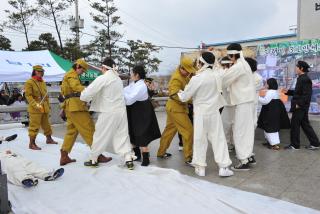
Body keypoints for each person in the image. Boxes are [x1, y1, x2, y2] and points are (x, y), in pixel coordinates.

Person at [178, 52, 233, 177]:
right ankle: (223, 167)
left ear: (201, 63)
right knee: (218, 139)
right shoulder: (217, 75)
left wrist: (179, 93)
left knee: (200, 139)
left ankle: (200, 167)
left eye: (198, 62)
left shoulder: (197, 78)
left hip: (201, 113)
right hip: (214, 112)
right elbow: (219, 68)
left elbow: (185, 97)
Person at [80, 58, 134, 169]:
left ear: (104, 67)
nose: (101, 70)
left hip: (108, 111)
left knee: (100, 135)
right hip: (121, 112)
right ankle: (128, 158)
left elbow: (89, 92)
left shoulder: (103, 78)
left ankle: (94, 159)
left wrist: (83, 97)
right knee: (122, 135)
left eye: (101, 68)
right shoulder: (118, 79)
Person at [60, 58, 112, 166]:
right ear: (78, 67)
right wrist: (90, 89)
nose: (83, 73)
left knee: (72, 131)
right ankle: (97, 155)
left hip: (71, 107)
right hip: (76, 107)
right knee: (89, 129)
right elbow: (76, 87)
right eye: (82, 70)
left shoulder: (71, 75)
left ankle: (64, 156)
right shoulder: (71, 74)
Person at [222, 43, 256, 171]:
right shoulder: (245, 64)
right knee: (247, 131)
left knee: (239, 132)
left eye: (229, 55)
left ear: (233, 54)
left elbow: (224, 80)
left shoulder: (238, 66)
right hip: (248, 102)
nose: (229, 58)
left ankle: (244, 160)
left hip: (243, 102)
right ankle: (249, 156)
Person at [157, 56, 195, 164]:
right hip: (177, 109)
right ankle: (189, 157)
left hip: (172, 108)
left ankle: (161, 152)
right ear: (182, 68)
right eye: (188, 71)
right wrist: (192, 101)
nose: (189, 73)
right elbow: (174, 95)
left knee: (169, 131)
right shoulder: (176, 78)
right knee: (188, 131)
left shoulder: (184, 75)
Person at [124, 65, 161, 166]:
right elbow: (126, 90)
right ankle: (137, 154)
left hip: (142, 112)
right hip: (134, 111)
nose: (130, 75)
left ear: (137, 75)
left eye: (132, 73)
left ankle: (146, 158)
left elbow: (129, 100)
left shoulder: (141, 86)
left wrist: (123, 94)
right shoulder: (134, 84)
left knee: (142, 134)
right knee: (132, 132)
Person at [284, 61, 320, 150]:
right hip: (300, 106)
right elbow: (298, 93)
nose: (295, 69)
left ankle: (295, 145)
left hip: (300, 107)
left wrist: (298, 104)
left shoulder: (305, 79)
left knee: (294, 125)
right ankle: (315, 143)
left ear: (301, 68)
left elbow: (306, 95)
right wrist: (287, 92)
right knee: (305, 125)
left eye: (297, 67)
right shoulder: (301, 78)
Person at [24, 65, 58, 150]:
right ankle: (32, 144)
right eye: (39, 71)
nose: (41, 73)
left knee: (47, 125)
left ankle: (49, 139)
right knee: (34, 126)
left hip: (44, 107)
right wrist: (35, 104)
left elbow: (45, 96)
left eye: (42, 72)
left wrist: (48, 105)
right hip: (35, 108)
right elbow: (28, 95)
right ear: (35, 71)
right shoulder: (29, 82)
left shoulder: (42, 82)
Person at [258, 78, 290, 150]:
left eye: (266, 83)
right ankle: (270, 142)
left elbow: (265, 101)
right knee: (271, 128)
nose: (265, 84)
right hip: (274, 112)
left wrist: (257, 97)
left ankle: (274, 145)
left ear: (269, 84)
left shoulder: (270, 92)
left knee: (270, 128)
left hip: (270, 112)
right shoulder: (275, 91)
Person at [220, 56, 235, 152]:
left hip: (228, 104)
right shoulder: (233, 73)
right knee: (234, 126)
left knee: (225, 126)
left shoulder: (223, 74)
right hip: (234, 104)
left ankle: (228, 144)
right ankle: (233, 144)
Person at [245, 57, 264, 128]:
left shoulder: (258, 78)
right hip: (244, 104)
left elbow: (248, 90)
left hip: (251, 103)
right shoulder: (246, 76)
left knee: (250, 125)